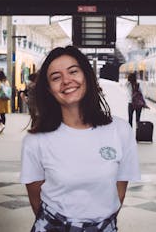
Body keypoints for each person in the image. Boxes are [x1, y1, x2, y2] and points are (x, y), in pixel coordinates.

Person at [20, 46, 140, 231]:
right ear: (49, 90)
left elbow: (119, 192)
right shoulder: (35, 140)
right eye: (56, 77)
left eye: (73, 72)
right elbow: (36, 198)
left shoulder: (121, 131)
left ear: (87, 76)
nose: (67, 81)